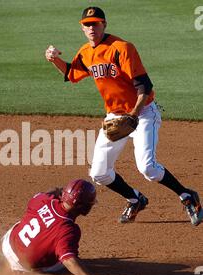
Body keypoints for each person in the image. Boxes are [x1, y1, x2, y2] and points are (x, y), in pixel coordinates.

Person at [45, 7, 203, 226]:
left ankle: (187, 196)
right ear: (82, 27)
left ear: (104, 24)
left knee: (147, 167)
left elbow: (144, 86)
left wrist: (134, 115)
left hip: (143, 112)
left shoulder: (122, 48)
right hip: (115, 116)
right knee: (99, 173)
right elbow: (71, 73)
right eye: (87, 24)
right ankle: (135, 199)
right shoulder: (85, 52)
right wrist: (53, 59)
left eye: (96, 23)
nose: (92, 28)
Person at [2, 179, 109, 275]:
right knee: (62, 260)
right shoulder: (68, 230)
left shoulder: (45, 200)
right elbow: (69, 260)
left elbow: (46, 193)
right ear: (83, 207)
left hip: (7, 243)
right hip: (22, 266)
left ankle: (0, 257)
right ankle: (16, 268)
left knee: (29, 219)